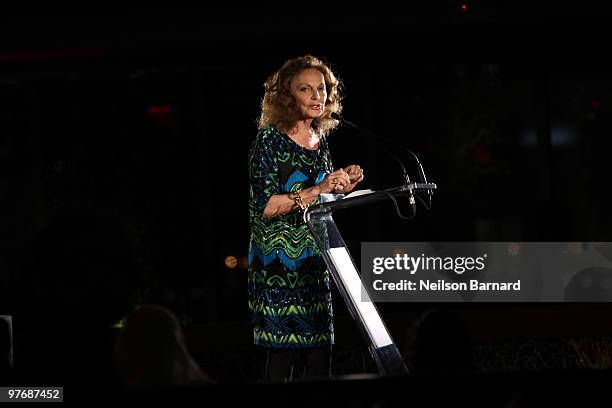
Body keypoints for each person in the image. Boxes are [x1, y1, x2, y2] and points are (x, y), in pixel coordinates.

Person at [248, 55, 365, 382]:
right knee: (283, 358)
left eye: (323, 88)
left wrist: (342, 187)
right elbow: (266, 206)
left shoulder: (319, 139)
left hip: (316, 262)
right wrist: (318, 188)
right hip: (279, 267)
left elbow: (320, 199)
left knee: (319, 358)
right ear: (288, 95)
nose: (318, 96)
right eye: (306, 89)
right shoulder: (269, 140)